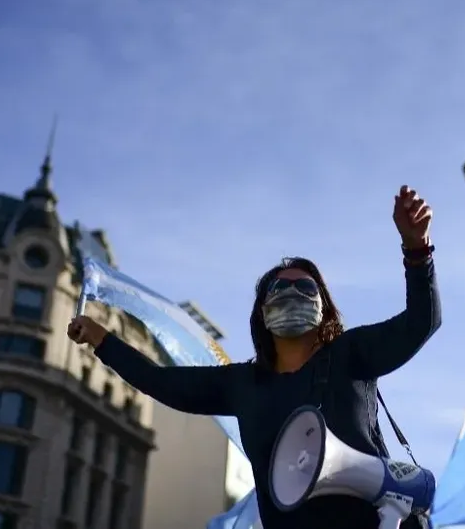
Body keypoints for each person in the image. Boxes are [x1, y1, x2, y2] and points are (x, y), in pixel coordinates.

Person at [67, 185, 441, 529]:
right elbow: (160, 382)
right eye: (279, 288)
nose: (292, 292)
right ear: (262, 313)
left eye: (305, 287)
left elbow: (421, 322)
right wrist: (103, 341)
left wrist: (417, 249)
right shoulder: (242, 384)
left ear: (324, 309)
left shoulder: (351, 355)